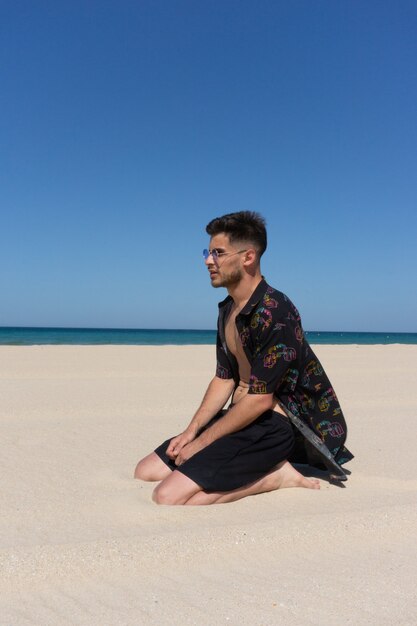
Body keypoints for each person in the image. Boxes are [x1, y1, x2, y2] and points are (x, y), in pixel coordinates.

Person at [134, 211, 353, 505]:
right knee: (145, 471)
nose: (208, 260)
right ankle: (251, 465)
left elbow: (261, 398)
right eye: (208, 252)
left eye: (218, 253)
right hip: (242, 418)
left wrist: (201, 444)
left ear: (248, 257)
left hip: (276, 426)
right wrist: (191, 432)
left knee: (169, 497)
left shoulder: (275, 311)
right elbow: (224, 378)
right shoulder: (228, 309)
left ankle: (276, 477)